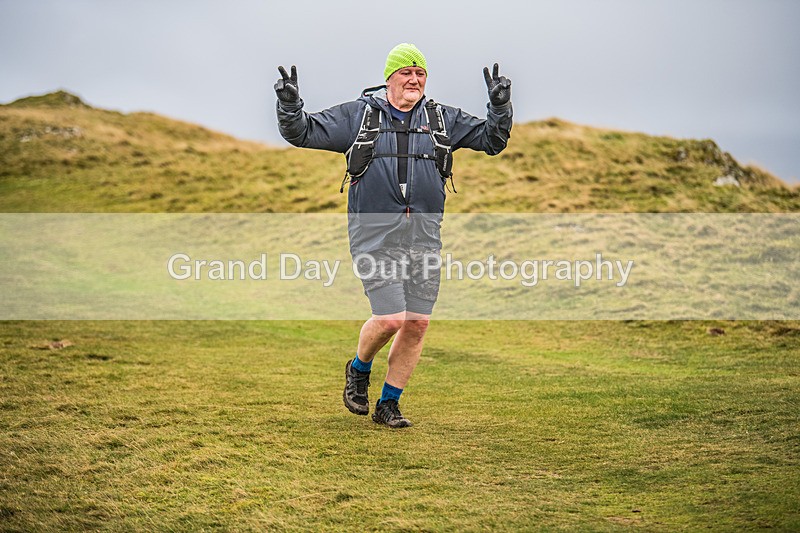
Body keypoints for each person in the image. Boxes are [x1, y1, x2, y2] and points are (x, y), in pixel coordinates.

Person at [275, 43, 512, 428]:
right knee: (390, 319)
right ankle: (358, 369)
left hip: (424, 238)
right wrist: (289, 105)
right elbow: (303, 132)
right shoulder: (359, 115)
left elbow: (492, 140)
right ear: (389, 78)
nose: (414, 80)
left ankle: (389, 404)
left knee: (417, 323)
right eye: (406, 73)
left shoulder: (441, 118)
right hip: (374, 237)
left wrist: (499, 107)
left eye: (420, 73)